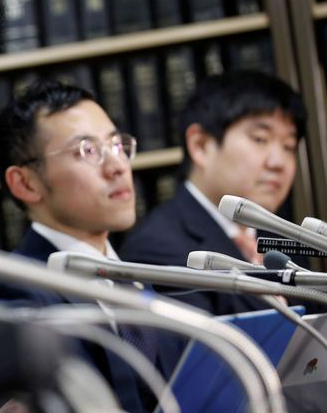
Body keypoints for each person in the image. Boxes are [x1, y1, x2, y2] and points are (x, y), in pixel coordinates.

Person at [0, 79, 183, 413]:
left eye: (117, 145)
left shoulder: (144, 280)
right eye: (87, 151)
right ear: (26, 182)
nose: (117, 166)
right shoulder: (13, 289)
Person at [119, 71, 308, 316]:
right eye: (260, 139)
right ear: (200, 145)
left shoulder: (285, 241)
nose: (278, 162)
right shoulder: (157, 250)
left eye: (288, 146)